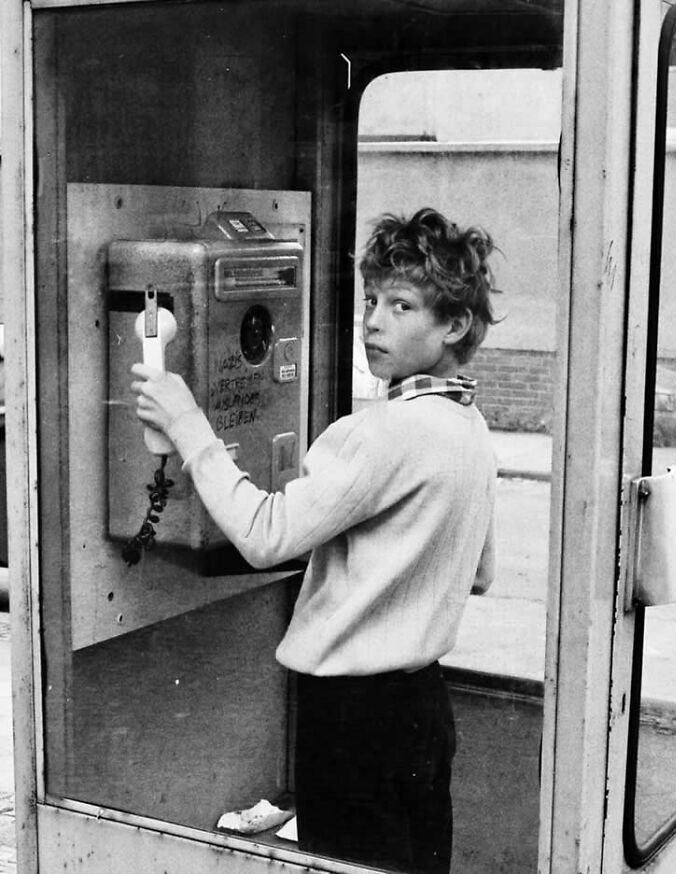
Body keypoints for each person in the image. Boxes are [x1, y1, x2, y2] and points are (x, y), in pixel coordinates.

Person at [131, 207, 498, 874]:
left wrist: (187, 421)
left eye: (402, 305)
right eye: (370, 300)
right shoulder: (469, 427)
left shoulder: (378, 435)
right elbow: (480, 571)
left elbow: (265, 534)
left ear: (454, 325)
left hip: (352, 721)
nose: (374, 321)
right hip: (423, 709)